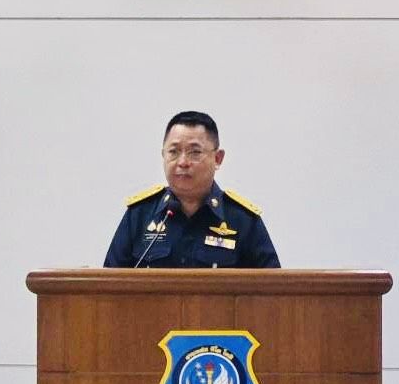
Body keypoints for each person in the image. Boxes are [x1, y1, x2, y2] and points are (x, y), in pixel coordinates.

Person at [104, 111, 280, 268]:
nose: (182, 162)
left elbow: (274, 288)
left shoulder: (243, 220)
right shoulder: (140, 215)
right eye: (173, 152)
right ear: (163, 155)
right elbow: (108, 285)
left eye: (194, 152)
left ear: (218, 159)